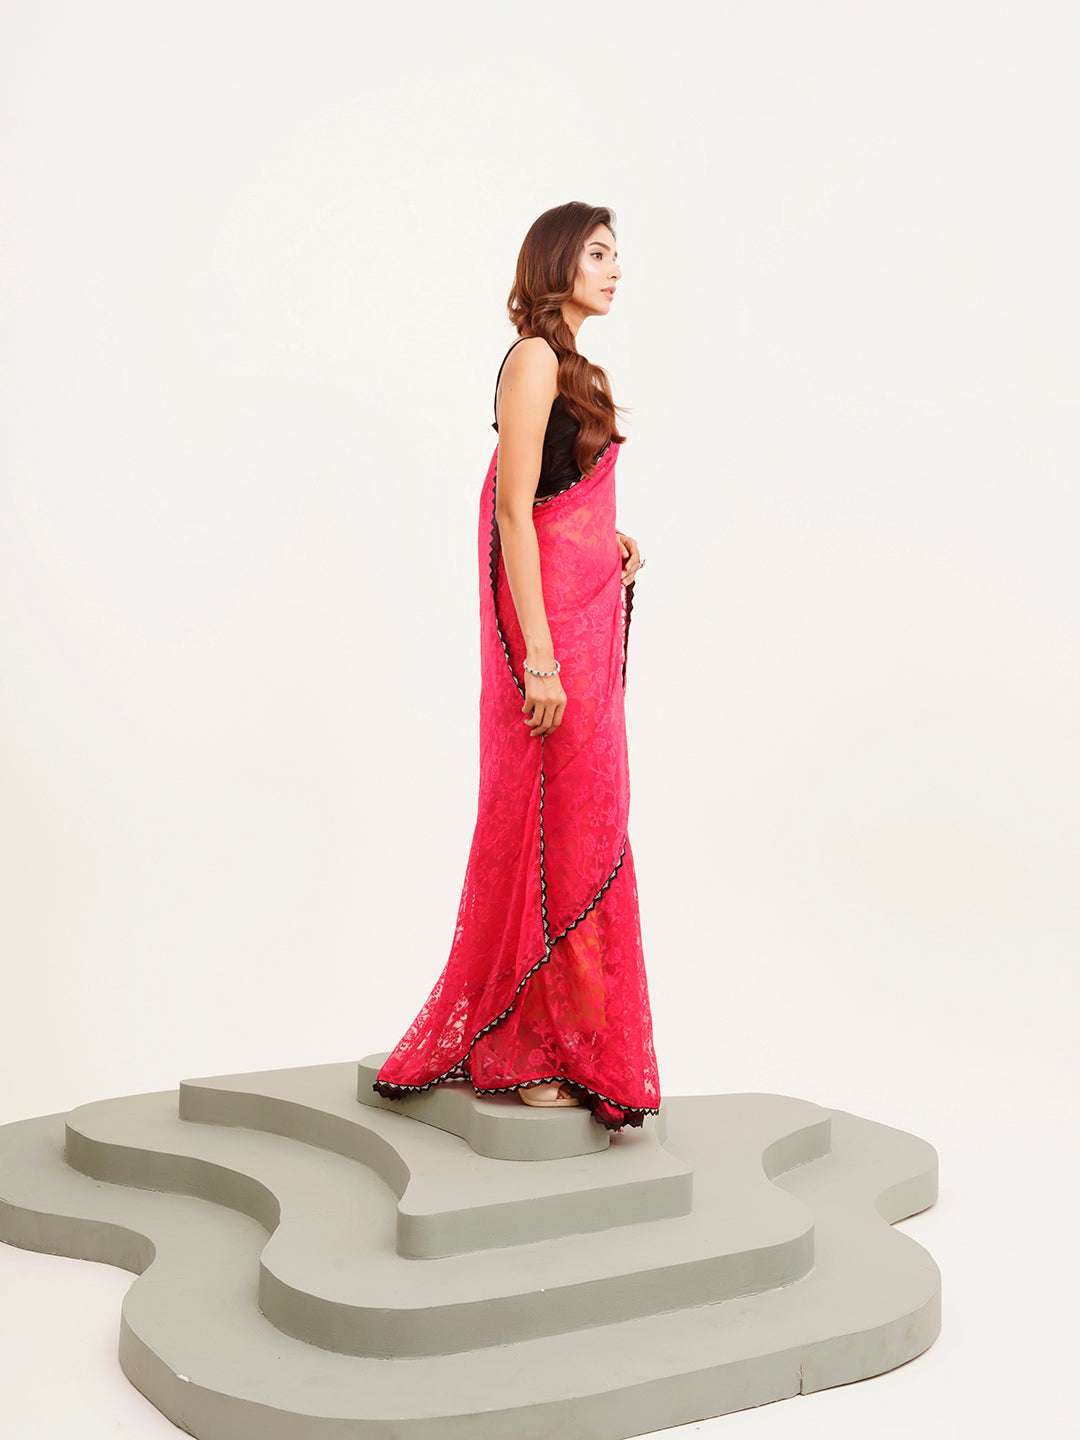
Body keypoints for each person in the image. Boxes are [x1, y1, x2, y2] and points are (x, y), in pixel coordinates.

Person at [374, 202, 660, 1131]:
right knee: (547, 831)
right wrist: (537, 656)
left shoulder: (576, 368)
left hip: (582, 625)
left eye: (617, 255)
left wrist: (603, 540)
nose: (615, 269)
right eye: (599, 253)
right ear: (557, 262)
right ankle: (525, 1045)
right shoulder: (533, 359)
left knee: (587, 826)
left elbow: (551, 500)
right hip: (548, 644)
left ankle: (577, 1042)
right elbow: (510, 509)